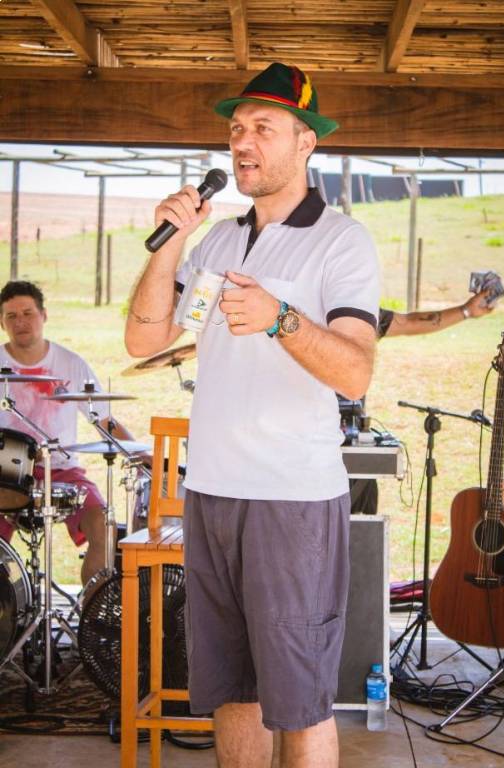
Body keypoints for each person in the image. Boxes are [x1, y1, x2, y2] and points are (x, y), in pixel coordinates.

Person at [126, 62, 379, 768]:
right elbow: (145, 339)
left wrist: (279, 319)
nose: (242, 142)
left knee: (299, 699)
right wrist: (174, 241)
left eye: (263, 128)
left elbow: (355, 370)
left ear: (306, 142)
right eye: (237, 128)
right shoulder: (218, 241)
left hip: (291, 501)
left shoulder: (341, 240)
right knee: (231, 691)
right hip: (211, 493)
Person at [0, 280, 136, 585]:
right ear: (1, 322)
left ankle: (92, 609)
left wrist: (142, 455)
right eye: (11, 316)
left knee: (103, 524)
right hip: (5, 472)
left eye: (28, 313)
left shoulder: (70, 363)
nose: (20, 322)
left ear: (44, 315)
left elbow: (103, 419)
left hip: (62, 469)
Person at [348, 289, 495, 515]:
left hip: (352, 444)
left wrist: (466, 310)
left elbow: (409, 322)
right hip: (303, 450)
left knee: (360, 522)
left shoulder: (357, 314)